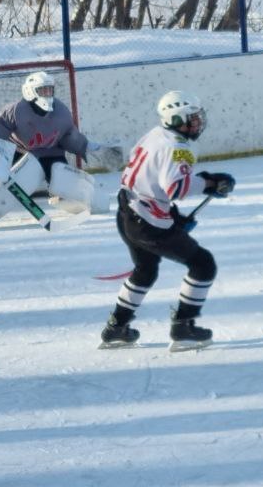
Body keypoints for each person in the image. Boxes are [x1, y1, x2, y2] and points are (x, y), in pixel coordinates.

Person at [100, 90, 236, 352]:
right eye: (193, 118)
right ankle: (183, 328)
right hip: (147, 222)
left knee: (145, 269)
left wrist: (172, 216)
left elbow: (150, 180)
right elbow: (176, 188)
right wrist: (210, 183)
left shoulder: (155, 134)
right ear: (176, 119)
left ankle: (116, 328)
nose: (199, 123)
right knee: (203, 264)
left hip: (127, 212)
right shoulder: (179, 147)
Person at [0, 71, 125, 231]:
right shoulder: (16, 110)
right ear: (30, 91)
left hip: (52, 154)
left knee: (70, 183)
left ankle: (82, 199)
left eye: (49, 89)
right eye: (42, 90)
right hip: (21, 154)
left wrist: (91, 148)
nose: (47, 94)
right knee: (16, 182)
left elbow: (69, 137)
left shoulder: (61, 112)